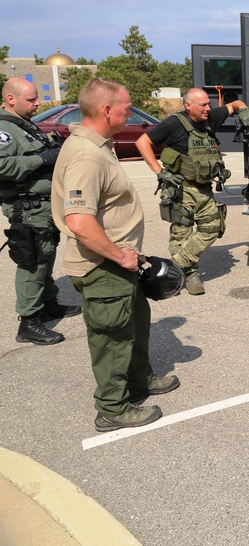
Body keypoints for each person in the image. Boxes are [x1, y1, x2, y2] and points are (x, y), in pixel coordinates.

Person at [51, 78, 180, 431]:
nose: (130, 112)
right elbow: (79, 220)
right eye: (126, 107)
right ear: (107, 110)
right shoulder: (84, 154)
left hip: (120, 263)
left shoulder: (98, 144)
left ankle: (139, 382)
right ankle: (112, 408)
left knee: (135, 323)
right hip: (103, 266)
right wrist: (120, 256)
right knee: (113, 338)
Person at [136, 88, 249, 295]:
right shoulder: (173, 124)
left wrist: (244, 110)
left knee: (213, 227)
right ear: (188, 105)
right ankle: (190, 274)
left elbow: (235, 104)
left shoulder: (211, 118)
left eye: (209, 104)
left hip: (204, 190)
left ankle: (173, 265)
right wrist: (159, 172)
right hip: (180, 189)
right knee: (181, 233)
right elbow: (142, 142)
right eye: (203, 105)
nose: (208, 108)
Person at [0, 78, 81, 344]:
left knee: (45, 256)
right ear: (11, 99)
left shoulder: (25, 126)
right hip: (27, 207)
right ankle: (29, 321)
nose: (38, 103)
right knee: (32, 261)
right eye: (32, 100)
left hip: (43, 206)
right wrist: (42, 158)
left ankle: (48, 304)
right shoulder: (4, 129)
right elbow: (3, 166)